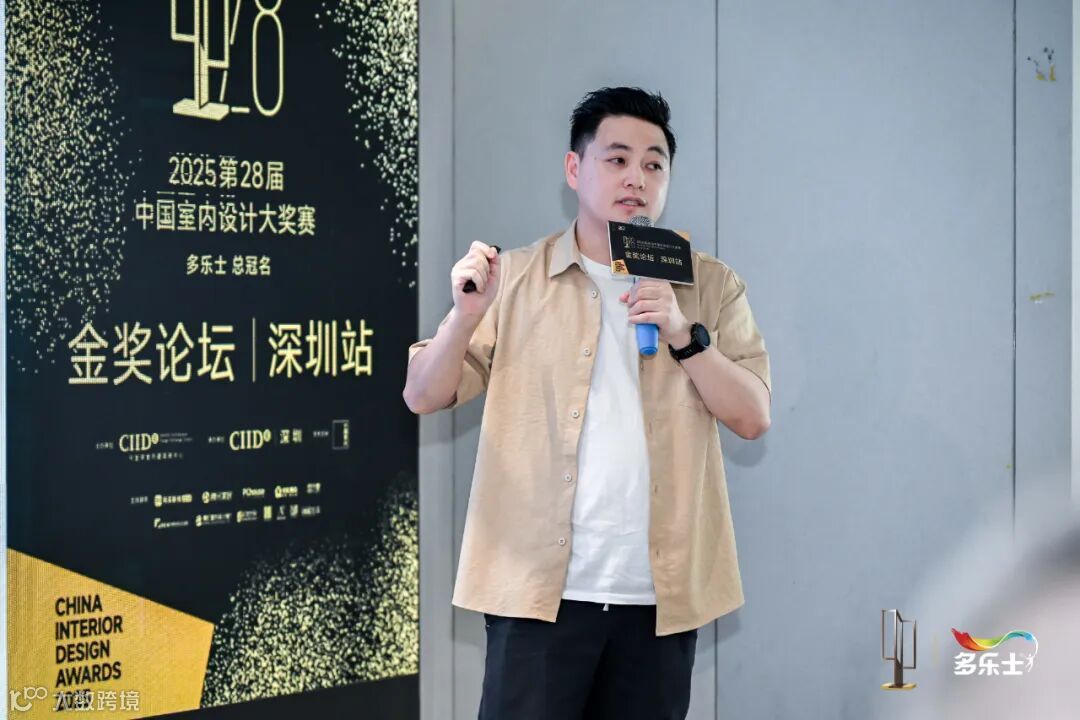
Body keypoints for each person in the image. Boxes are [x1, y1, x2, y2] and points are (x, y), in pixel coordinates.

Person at [403, 86, 772, 720]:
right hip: (538, 594)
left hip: (658, 600)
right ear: (575, 169)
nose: (637, 178)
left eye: (654, 164)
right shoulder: (514, 277)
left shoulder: (708, 284)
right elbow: (423, 393)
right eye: (617, 159)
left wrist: (684, 334)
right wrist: (464, 316)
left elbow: (753, 416)